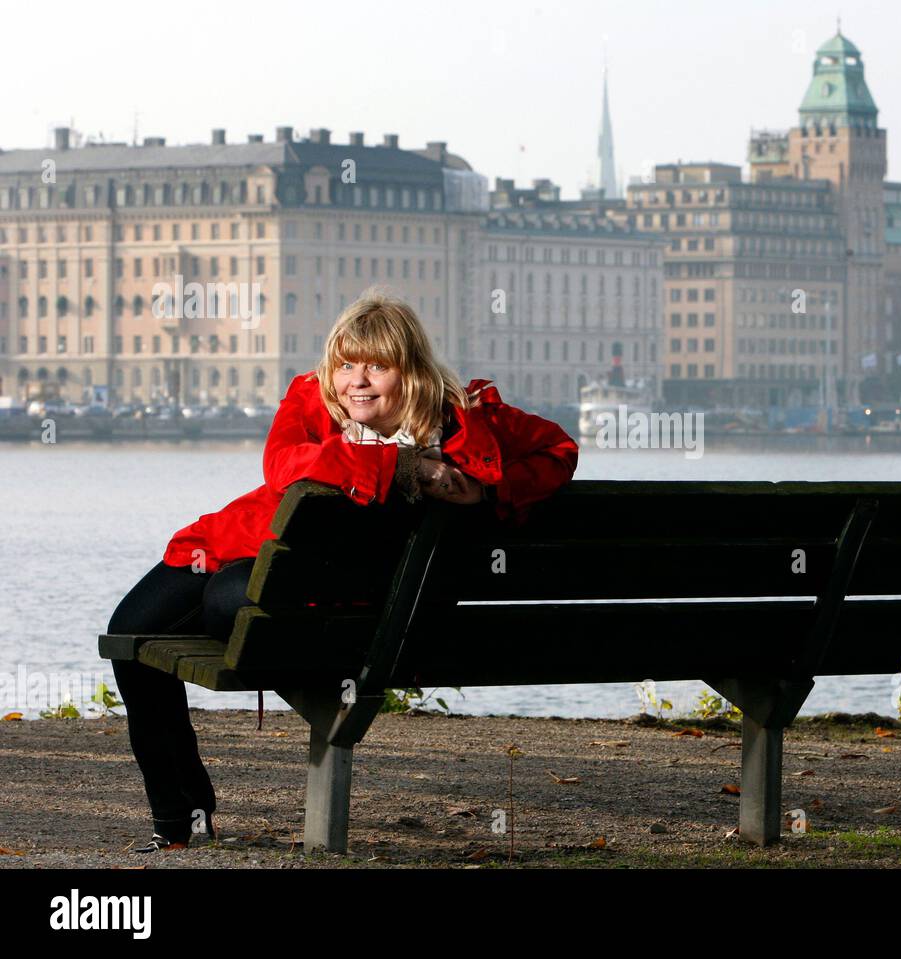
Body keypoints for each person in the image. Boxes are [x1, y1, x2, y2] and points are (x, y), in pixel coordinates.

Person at [106, 290, 579, 852]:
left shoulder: (464, 415)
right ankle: (181, 816)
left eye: (378, 366)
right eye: (346, 364)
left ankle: (178, 822)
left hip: (325, 595)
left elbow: (558, 449)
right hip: (238, 548)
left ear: (413, 372)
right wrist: (402, 467)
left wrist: (486, 491)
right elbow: (282, 467)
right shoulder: (311, 397)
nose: (357, 380)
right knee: (130, 631)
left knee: (229, 605)